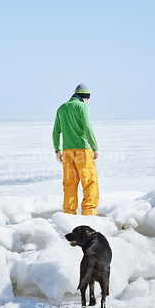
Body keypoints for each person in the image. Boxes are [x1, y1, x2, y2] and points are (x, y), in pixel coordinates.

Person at [52, 83, 99, 216]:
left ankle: (69, 213)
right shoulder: (82, 106)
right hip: (82, 151)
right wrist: (94, 147)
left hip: (67, 152)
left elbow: (56, 132)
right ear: (85, 97)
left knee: (69, 183)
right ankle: (90, 212)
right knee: (89, 181)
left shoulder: (62, 108)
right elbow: (87, 127)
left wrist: (57, 150)